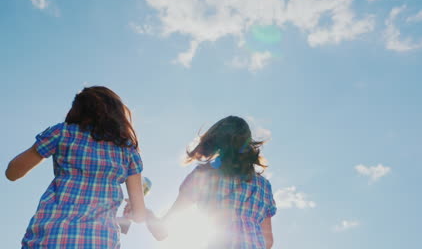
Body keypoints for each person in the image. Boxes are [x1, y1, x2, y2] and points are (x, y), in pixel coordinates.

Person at [5, 86, 147, 248]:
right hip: (99, 241)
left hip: (51, 237)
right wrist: (131, 212)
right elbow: (140, 215)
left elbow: (12, 172)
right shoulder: (127, 149)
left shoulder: (62, 133)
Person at [138, 116, 277, 248]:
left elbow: (161, 231)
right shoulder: (263, 186)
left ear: (216, 141)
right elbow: (268, 241)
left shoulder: (203, 176)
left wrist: (146, 214)